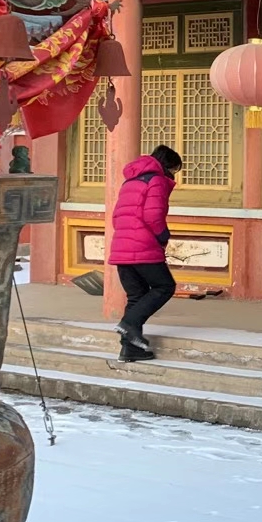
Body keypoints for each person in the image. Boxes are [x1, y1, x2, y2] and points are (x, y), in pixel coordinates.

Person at [109, 144, 182, 362]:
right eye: (174, 170)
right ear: (167, 164)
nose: (174, 175)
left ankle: (129, 349)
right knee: (164, 286)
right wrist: (163, 237)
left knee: (136, 296)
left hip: (121, 246)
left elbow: (116, 217)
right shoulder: (156, 180)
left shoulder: (129, 181)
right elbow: (153, 216)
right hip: (143, 245)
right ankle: (128, 323)